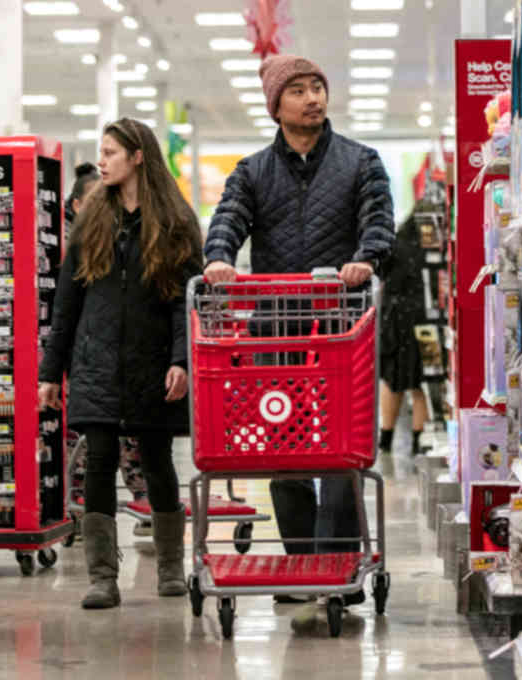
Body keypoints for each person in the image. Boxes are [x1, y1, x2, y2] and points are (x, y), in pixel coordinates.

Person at [204, 54, 395, 626]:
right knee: (283, 442)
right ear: (277, 105)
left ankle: (335, 568)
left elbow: (378, 220)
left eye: (318, 87)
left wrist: (365, 259)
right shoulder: (253, 170)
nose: (313, 98)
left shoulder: (361, 162)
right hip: (277, 326)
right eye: (300, 90)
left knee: (339, 446)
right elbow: (229, 217)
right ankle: (300, 567)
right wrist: (218, 259)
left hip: (341, 327)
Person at [39, 118, 203, 610]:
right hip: (97, 362)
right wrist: (51, 371)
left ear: (137, 157)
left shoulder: (174, 222)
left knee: (157, 461)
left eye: (111, 152)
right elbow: (66, 303)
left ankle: (172, 567)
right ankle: (103, 577)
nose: (102, 160)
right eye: (102, 152)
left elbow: (185, 304)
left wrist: (182, 360)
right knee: (99, 462)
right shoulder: (91, 221)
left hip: (153, 362)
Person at [64, 164, 154, 538]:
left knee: (133, 441)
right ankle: (82, 510)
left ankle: (142, 500)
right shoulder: (73, 244)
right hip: (85, 361)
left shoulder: (129, 236)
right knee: (89, 447)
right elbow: (65, 310)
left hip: (125, 362)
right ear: (76, 204)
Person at [378, 208, 437, 457]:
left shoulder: (394, 244)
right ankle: (418, 440)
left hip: (395, 321)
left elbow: (380, 274)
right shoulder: (434, 246)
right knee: (422, 381)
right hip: (428, 319)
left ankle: (386, 439)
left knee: (392, 381)